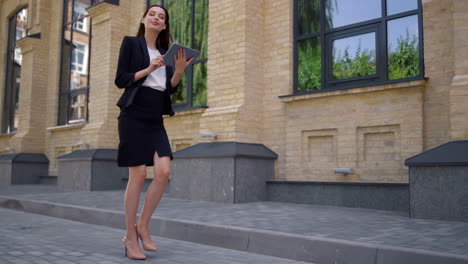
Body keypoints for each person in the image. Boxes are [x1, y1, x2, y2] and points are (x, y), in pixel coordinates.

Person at [114, 5, 193, 260]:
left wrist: (179, 70)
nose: (157, 18)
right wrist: (149, 68)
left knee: (163, 172)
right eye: (153, 14)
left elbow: (169, 89)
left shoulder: (165, 53)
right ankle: (129, 236)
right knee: (137, 175)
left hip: (155, 118)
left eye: (162, 16)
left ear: (164, 25)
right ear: (144, 19)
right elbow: (121, 79)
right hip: (133, 115)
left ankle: (143, 226)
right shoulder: (131, 44)